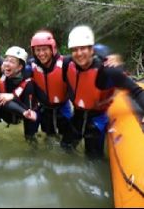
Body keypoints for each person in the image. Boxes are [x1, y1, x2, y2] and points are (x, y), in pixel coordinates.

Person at [62, 25, 144, 157]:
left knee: (93, 159)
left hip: (97, 119)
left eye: (83, 48)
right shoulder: (68, 63)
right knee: (65, 148)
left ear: (91, 49)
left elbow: (136, 91)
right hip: (77, 115)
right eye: (75, 50)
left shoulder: (108, 70)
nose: (79, 53)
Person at [29, 30, 74, 141]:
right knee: (49, 138)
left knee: (66, 139)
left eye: (44, 49)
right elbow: (14, 65)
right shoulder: (31, 65)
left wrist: (110, 59)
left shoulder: (66, 62)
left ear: (52, 49)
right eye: (37, 50)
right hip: (45, 109)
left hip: (63, 108)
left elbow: (88, 59)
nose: (41, 53)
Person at [0, 46, 39, 142]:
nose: (7, 64)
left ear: (20, 67)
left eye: (12, 61)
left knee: (30, 138)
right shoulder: (2, 76)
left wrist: (13, 97)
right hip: (6, 119)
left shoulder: (29, 84)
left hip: (24, 116)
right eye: (6, 60)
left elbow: (29, 112)